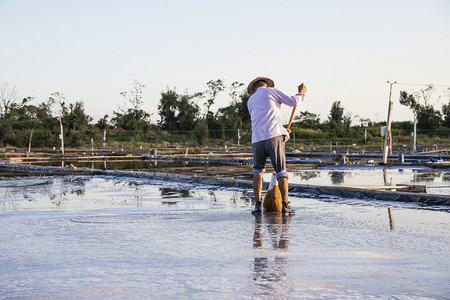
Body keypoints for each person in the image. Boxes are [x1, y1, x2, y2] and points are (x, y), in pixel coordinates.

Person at [247, 77, 307, 215]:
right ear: (266, 85)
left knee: (257, 172)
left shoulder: (250, 101)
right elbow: (294, 102)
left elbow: (263, 121)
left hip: (257, 140)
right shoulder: (271, 92)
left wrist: (284, 132)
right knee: (281, 172)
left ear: (254, 88)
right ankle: (285, 206)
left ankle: (257, 206)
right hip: (273, 136)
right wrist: (301, 93)